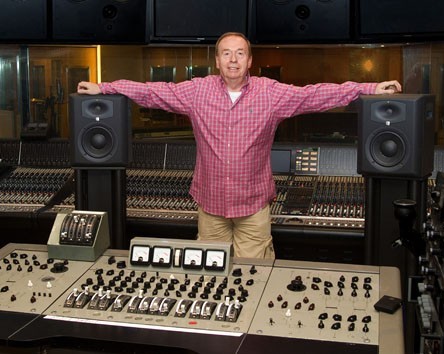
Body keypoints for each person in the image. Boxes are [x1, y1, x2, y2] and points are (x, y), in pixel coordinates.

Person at [77, 32, 402, 259]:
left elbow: (315, 95)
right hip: (211, 207)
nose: (233, 60)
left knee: (254, 279)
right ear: (217, 61)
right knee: (210, 278)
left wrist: (369, 87)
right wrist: (105, 87)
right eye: (226, 53)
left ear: (250, 61)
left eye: (240, 53)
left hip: (253, 208)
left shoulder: (271, 93)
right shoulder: (196, 92)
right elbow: (152, 92)